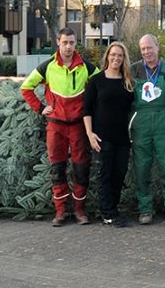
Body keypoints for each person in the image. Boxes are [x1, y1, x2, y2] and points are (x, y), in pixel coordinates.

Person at [21, 27, 98, 227]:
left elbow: (102, 86)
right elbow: (26, 87)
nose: (68, 47)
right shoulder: (47, 67)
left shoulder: (87, 67)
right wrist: (40, 108)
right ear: (58, 42)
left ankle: (79, 210)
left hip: (79, 126)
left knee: (81, 169)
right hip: (56, 126)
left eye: (72, 42)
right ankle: (61, 211)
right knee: (57, 169)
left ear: (76, 43)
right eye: (65, 42)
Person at [130, 34, 165, 225]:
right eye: (143, 49)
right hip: (141, 125)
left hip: (164, 124)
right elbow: (126, 100)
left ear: (157, 47)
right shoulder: (134, 69)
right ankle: (145, 210)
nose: (146, 52)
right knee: (142, 168)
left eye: (149, 47)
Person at [83, 41, 135, 227]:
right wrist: (90, 134)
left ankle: (113, 209)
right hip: (101, 137)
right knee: (104, 175)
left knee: (119, 174)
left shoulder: (127, 82)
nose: (116, 58)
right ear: (107, 56)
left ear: (124, 58)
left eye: (120, 55)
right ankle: (108, 214)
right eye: (113, 54)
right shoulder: (96, 81)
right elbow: (87, 110)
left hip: (122, 138)